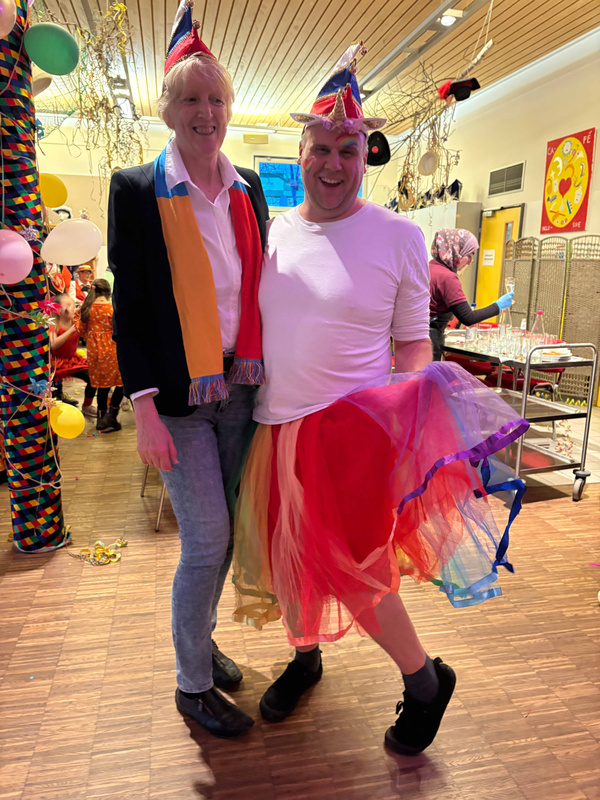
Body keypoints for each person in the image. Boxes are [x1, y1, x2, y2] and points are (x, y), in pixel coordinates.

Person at [232, 44, 528, 756]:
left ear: (367, 156)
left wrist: (404, 423)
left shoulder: (398, 236)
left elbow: (413, 345)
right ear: (300, 153)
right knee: (287, 558)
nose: (333, 163)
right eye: (320, 148)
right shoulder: (273, 232)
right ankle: (305, 657)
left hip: (354, 436)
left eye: (348, 150)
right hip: (276, 426)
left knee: (360, 573)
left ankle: (425, 681)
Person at [108, 1, 269, 739]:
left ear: (228, 109)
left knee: (226, 536)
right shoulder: (138, 188)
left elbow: (260, 288)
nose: (206, 113)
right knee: (205, 540)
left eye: (217, 99)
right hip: (176, 397)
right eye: (191, 100)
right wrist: (141, 411)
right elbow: (131, 309)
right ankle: (191, 682)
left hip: (241, 388)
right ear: (168, 111)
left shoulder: (249, 188)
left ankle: (201, 642)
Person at [428, 229, 514, 360]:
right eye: (469, 255)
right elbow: (468, 317)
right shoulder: (447, 277)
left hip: (412, 339)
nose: (470, 261)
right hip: (429, 344)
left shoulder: (428, 268)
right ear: (455, 251)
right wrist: (498, 305)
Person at [74, 279, 124, 433]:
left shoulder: (87, 309)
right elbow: (120, 328)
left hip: (94, 352)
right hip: (112, 349)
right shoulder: (111, 308)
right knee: (122, 383)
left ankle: (101, 419)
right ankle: (112, 415)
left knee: (102, 385)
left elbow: (80, 329)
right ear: (109, 292)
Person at [49, 293, 97, 416]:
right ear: (61, 309)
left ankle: (87, 406)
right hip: (55, 362)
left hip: (72, 360)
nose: (73, 308)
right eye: (70, 305)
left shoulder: (75, 320)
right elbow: (53, 344)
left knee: (93, 377)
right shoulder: (53, 323)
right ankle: (55, 401)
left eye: (73, 305)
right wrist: (71, 330)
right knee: (50, 385)